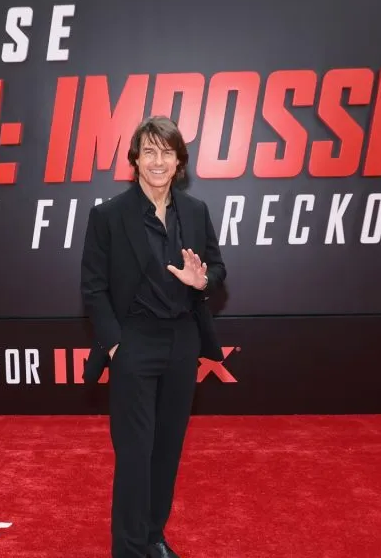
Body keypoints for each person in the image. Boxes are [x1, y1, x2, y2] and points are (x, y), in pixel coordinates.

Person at [80, 115, 227, 558]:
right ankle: (127, 548)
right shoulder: (108, 216)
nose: (157, 160)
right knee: (134, 452)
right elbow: (93, 286)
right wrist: (118, 345)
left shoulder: (196, 212)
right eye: (148, 151)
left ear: (179, 161)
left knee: (166, 448)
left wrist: (202, 282)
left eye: (166, 152)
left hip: (183, 341)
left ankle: (153, 537)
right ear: (135, 161)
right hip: (134, 342)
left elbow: (217, 270)